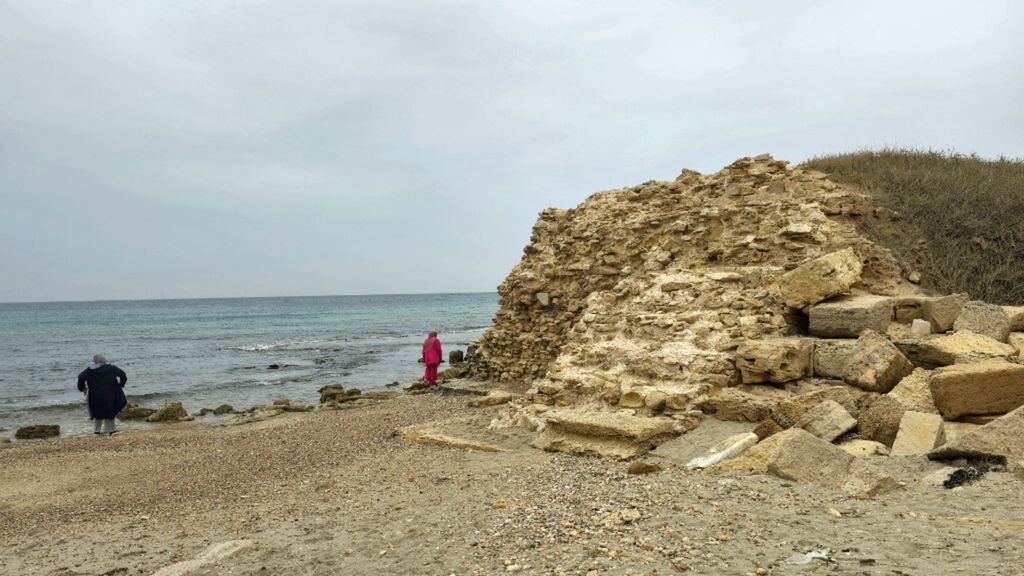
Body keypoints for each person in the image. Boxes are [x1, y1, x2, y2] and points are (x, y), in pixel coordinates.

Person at [77, 354, 128, 435]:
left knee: (98, 412)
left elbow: (80, 377)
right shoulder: (111, 368)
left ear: (95, 361)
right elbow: (123, 375)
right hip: (110, 393)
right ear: (104, 360)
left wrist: (81, 388)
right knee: (110, 411)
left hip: (95, 395)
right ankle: (111, 431)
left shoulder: (89, 370)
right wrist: (121, 384)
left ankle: (96, 432)